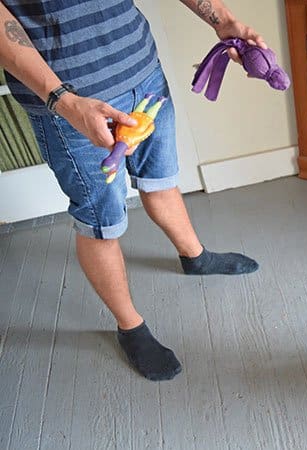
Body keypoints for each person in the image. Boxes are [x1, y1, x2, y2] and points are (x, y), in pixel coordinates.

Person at [0, 0, 265, 381]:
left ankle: (196, 258)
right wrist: (64, 101)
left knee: (161, 180)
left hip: (143, 73)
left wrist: (224, 21)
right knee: (100, 221)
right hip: (70, 104)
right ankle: (130, 327)